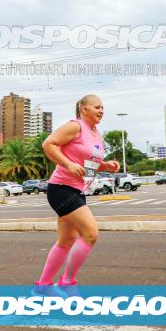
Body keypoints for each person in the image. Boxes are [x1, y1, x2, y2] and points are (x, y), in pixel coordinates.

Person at [35, 94, 119, 291]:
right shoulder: (76, 126)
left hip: (78, 190)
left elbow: (87, 165)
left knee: (66, 241)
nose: (101, 111)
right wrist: (68, 164)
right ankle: (66, 283)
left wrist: (105, 165)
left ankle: (43, 287)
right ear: (84, 109)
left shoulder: (96, 133)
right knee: (90, 233)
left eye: (102, 107)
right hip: (61, 188)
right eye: (97, 107)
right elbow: (48, 144)